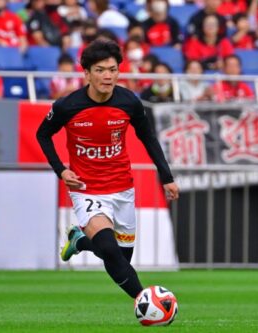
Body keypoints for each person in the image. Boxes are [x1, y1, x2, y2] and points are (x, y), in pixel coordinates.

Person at [36, 40, 179, 299]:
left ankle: (79, 241)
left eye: (113, 69)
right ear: (87, 73)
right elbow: (42, 134)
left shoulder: (129, 102)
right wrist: (61, 170)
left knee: (121, 259)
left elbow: (148, 137)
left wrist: (166, 177)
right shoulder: (68, 105)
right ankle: (145, 300)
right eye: (100, 70)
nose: (108, 76)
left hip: (123, 188)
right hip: (87, 189)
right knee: (110, 251)